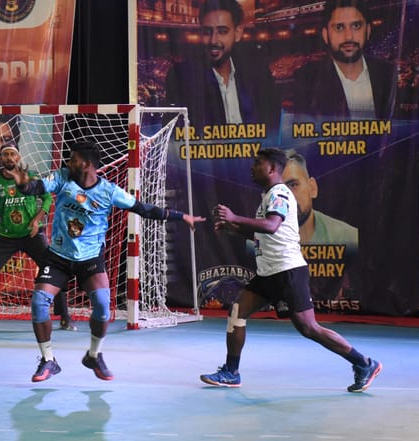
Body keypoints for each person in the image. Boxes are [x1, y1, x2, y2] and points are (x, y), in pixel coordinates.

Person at [4, 140, 205, 382]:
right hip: (58, 255)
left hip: (89, 258)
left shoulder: (109, 191)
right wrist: (23, 184)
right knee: (39, 302)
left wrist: (181, 216)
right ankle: (48, 360)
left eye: (73, 159)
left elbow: (144, 209)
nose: (69, 162)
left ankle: (94, 355)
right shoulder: (62, 178)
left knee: (101, 305)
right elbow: (36, 187)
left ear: (87, 164)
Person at [200, 147, 381, 393]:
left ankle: (364, 363)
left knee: (309, 328)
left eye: (257, 163)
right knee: (237, 312)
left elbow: (272, 225)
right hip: (267, 273)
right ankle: (231, 372)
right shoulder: (268, 196)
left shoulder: (280, 193)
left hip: (287, 271)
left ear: (272, 168)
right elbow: (263, 235)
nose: (252, 167)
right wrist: (234, 228)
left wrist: (235, 217)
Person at [0, 142, 76, 331]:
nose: (9, 157)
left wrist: (37, 220)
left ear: (18, 157)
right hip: (6, 237)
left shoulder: (30, 177)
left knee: (54, 270)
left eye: (12, 154)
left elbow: (47, 198)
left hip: (32, 235)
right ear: (0, 158)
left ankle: (64, 317)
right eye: (5, 154)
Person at [163, 0, 280, 135]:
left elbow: (272, 127)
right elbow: (173, 136)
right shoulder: (181, 78)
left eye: (222, 31)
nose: (214, 40)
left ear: (237, 33)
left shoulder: (258, 73)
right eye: (207, 32)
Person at [290, 0, 396, 120]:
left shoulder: (387, 72)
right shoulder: (308, 80)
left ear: (368, 30)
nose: (349, 36)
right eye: (339, 27)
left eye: (356, 26)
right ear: (325, 35)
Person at [283, 150, 358, 252]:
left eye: (293, 185)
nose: (285, 197)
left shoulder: (348, 239)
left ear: (312, 188)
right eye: (274, 189)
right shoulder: (261, 244)